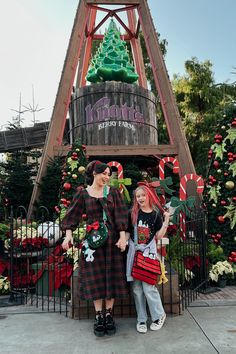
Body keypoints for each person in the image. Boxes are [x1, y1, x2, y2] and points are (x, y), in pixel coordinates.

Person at [61, 160, 128, 337]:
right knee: (95, 278)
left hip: (112, 241)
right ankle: (99, 315)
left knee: (111, 276)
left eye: (108, 174)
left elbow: (121, 214)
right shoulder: (83, 193)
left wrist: (122, 238)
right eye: (104, 174)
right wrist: (68, 235)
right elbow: (71, 216)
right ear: (94, 174)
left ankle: (109, 314)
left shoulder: (113, 192)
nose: (107, 177)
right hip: (92, 242)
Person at [126, 185, 170, 334]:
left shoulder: (155, 215)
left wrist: (166, 221)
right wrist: (122, 242)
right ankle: (142, 320)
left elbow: (158, 236)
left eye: (143, 195)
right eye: (138, 196)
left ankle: (159, 316)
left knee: (148, 287)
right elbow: (127, 232)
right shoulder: (132, 213)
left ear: (149, 196)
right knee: (137, 289)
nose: (140, 198)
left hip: (147, 255)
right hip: (134, 253)